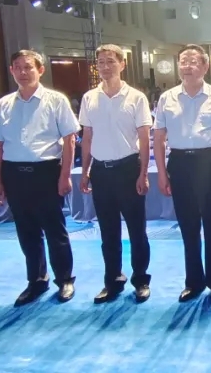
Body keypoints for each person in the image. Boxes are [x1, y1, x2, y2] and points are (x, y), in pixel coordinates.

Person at [0, 49, 80, 307]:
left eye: (28, 67)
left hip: (46, 172)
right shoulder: (4, 104)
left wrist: (65, 176)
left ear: (40, 70)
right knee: (26, 232)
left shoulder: (56, 100)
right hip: (14, 174)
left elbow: (70, 141)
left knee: (55, 230)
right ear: (11, 71)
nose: (23, 72)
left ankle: (65, 279)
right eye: (18, 67)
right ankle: (36, 280)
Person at [154, 44, 211, 303]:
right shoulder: (167, 98)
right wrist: (161, 173)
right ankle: (193, 281)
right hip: (180, 163)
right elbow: (158, 138)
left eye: (193, 61)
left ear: (205, 66)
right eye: (183, 61)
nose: (187, 66)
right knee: (188, 225)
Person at [79, 44, 154, 304]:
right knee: (108, 231)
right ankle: (112, 280)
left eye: (111, 61)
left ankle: (141, 280)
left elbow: (144, 138)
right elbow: (87, 137)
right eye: (101, 62)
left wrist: (143, 173)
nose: (105, 66)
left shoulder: (136, 97)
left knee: (137, 230)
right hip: (101, 171)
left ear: (122, 64)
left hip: (128, 169)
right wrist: (85, 171)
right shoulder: (89, 98)